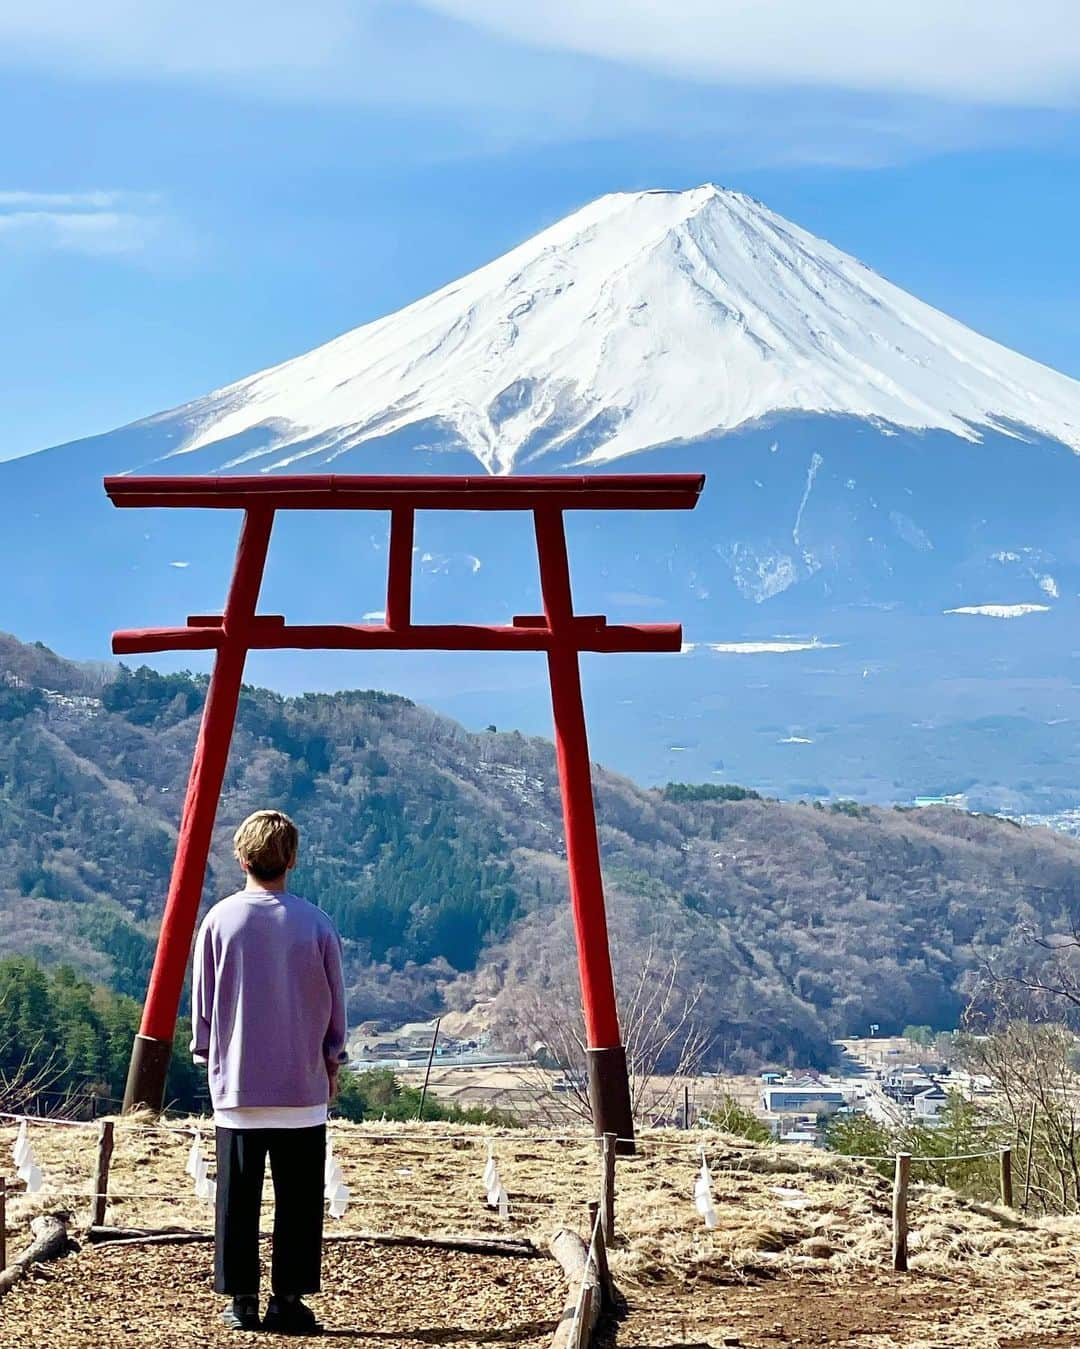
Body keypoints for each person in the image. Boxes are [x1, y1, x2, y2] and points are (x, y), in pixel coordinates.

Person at [191, 809, 348, 1333]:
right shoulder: (316, 923)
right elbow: (335, 1005)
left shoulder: (219, 921)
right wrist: (333, 1059)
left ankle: (241, 1300)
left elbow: (204, 1008)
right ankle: (288, 1300)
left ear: (242, 858)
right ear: (292, 860)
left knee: (237, 1198)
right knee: (299, 1200)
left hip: (237, 1083)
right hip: (301, 1084)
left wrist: (208, 1054)